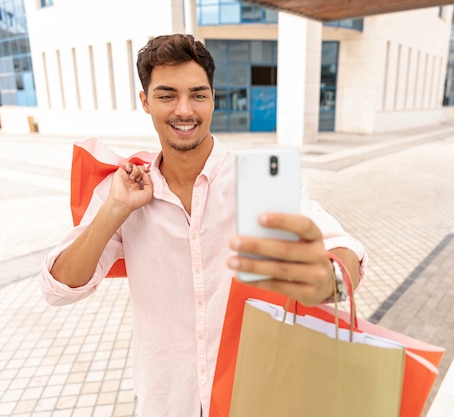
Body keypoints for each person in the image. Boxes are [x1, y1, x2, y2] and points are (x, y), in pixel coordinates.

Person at [39, 34, 366, 417]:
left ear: (213, 98)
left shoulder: (259, 180)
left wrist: (330, 280)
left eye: (198, 94)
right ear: (144, 102)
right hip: (164, 401)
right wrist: (114, 210)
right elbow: (58, 289)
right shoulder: (126, 191)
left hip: (254, 397)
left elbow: (346, 251)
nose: (184, 110)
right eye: (166, 95)